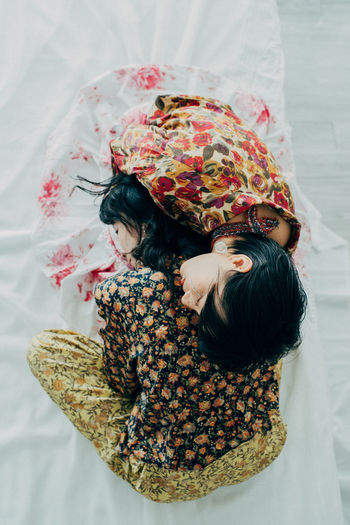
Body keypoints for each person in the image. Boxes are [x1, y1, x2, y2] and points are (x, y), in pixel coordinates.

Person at [108, 93, 307, 371]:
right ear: (238, 262)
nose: (186, 300)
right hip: (184, 119)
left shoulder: (282, 238)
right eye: (201, 299)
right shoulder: (178, 185)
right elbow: (126, 144)